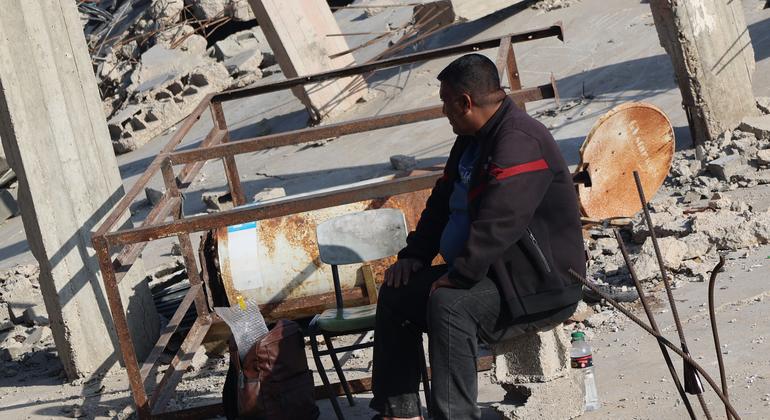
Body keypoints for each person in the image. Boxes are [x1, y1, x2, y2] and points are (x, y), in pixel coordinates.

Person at [369, 53, 586, 420]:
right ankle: (399, 413)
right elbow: (441, 203)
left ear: (465, 102)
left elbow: (502, 220)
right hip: (489, 275)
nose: (443, 111)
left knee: (450, 304)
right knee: (397, 293)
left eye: (445, 102)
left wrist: (460, 275)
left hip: (536, 285)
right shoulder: (470, 142)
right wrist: (414, 256)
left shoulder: (519, 140)